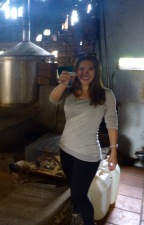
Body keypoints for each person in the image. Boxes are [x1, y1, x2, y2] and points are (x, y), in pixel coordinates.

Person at [49, 53, 118, 225]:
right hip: (65, 149)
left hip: (87, 155)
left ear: (96, 72)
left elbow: (112, 122)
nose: (85, 73)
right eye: (81, 69)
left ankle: (86, 221)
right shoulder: (71, 91)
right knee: (75, 190)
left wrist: (113, 152)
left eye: (90, 69)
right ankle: (75, 217)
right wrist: (64, 83)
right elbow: (52, 99)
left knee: (79, 196)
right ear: (76, 71)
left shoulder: (106, 95)